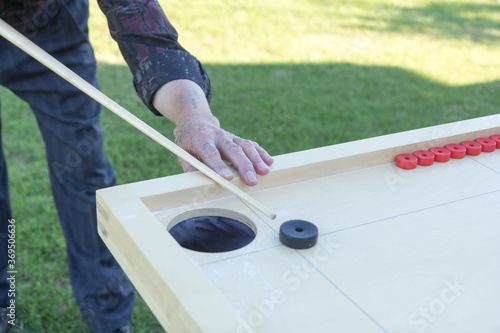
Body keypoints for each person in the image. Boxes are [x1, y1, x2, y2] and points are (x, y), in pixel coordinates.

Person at [0, 0, 274, 332]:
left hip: (52, 29)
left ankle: (110, 320)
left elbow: (138, 19)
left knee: (84, 176)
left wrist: (194, 118)